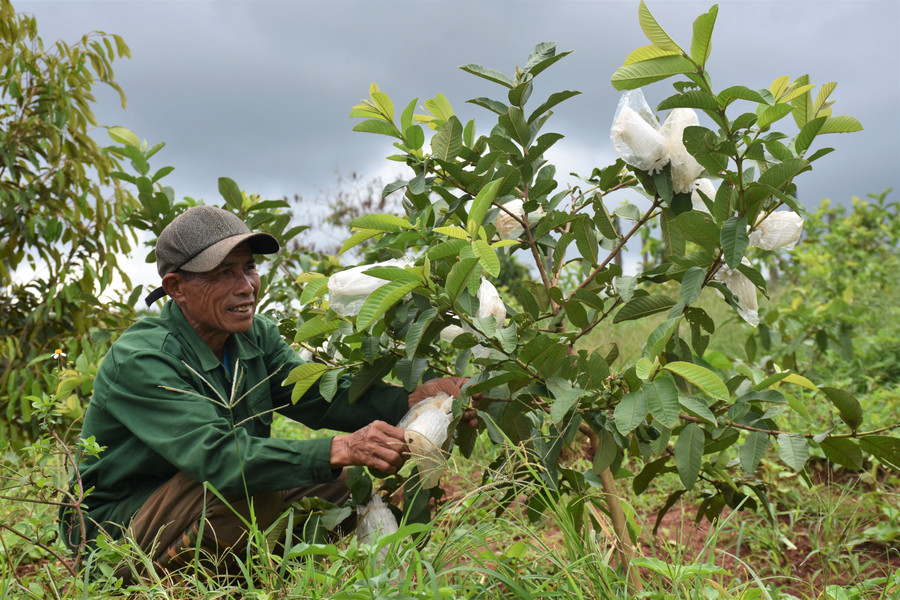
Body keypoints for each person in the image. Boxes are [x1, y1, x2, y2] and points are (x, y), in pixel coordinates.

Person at [60, 205, 472, 572]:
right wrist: (342, 447)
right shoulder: (143, 358)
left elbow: (316, 396)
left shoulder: (254, 336)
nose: (246, 286)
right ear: (176, 288)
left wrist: (413, 401)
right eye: (223, 273)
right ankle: (203, 580)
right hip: (114, 528)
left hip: (196, 500)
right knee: (250, 490)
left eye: (249, 268)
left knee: (347, 484)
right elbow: (218, 458)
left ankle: (261, 571)